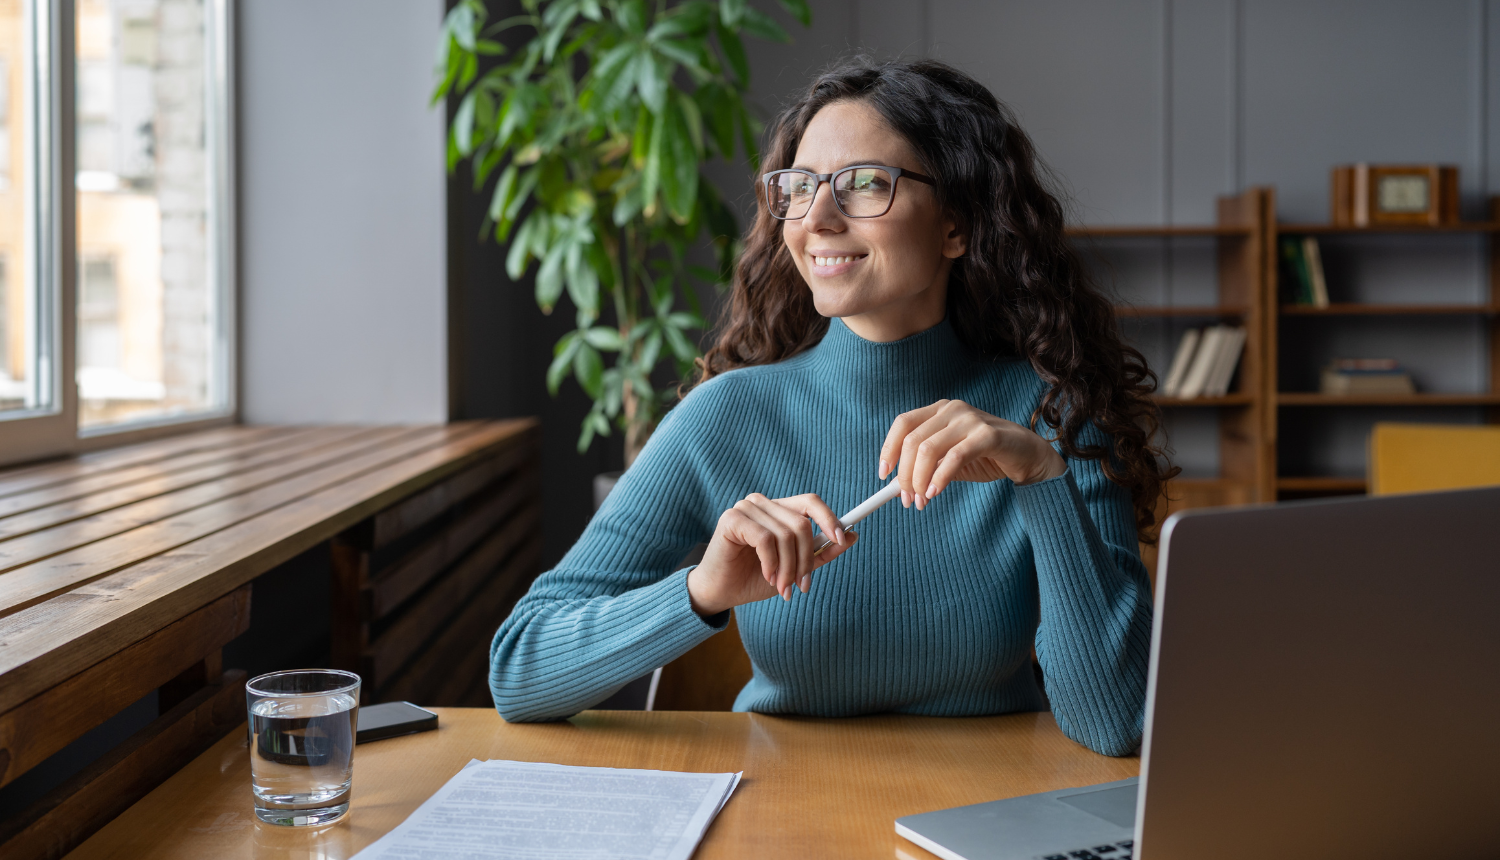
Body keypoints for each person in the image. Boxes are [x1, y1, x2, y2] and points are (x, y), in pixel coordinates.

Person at [489, 58, 1174, 757]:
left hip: (988, 818)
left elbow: (1116, 723)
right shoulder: (726, 417)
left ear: (956, 227)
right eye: (799, 187)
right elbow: (519, 669)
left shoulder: (1053, 415)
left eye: (865, 184)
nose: (816, 217)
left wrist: (1042, 478)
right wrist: (702, 590)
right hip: (780, 817)